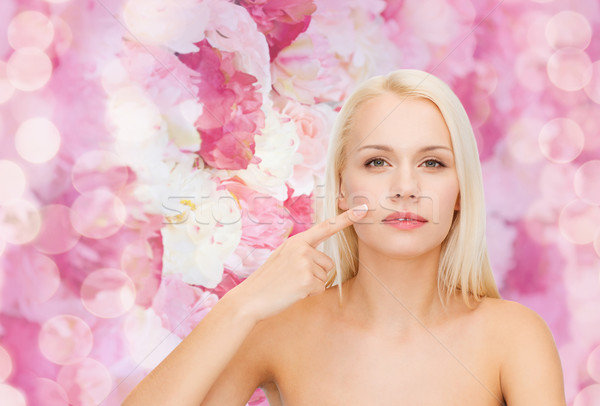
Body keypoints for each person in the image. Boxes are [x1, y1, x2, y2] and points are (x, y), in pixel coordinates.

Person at [123, 69, 566, 405]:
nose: (405, 187)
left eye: (432, 163)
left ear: (460, 192)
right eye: (377, 162)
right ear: (340, 187)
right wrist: (241, 305)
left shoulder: (513, 336)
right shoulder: (279, 329)